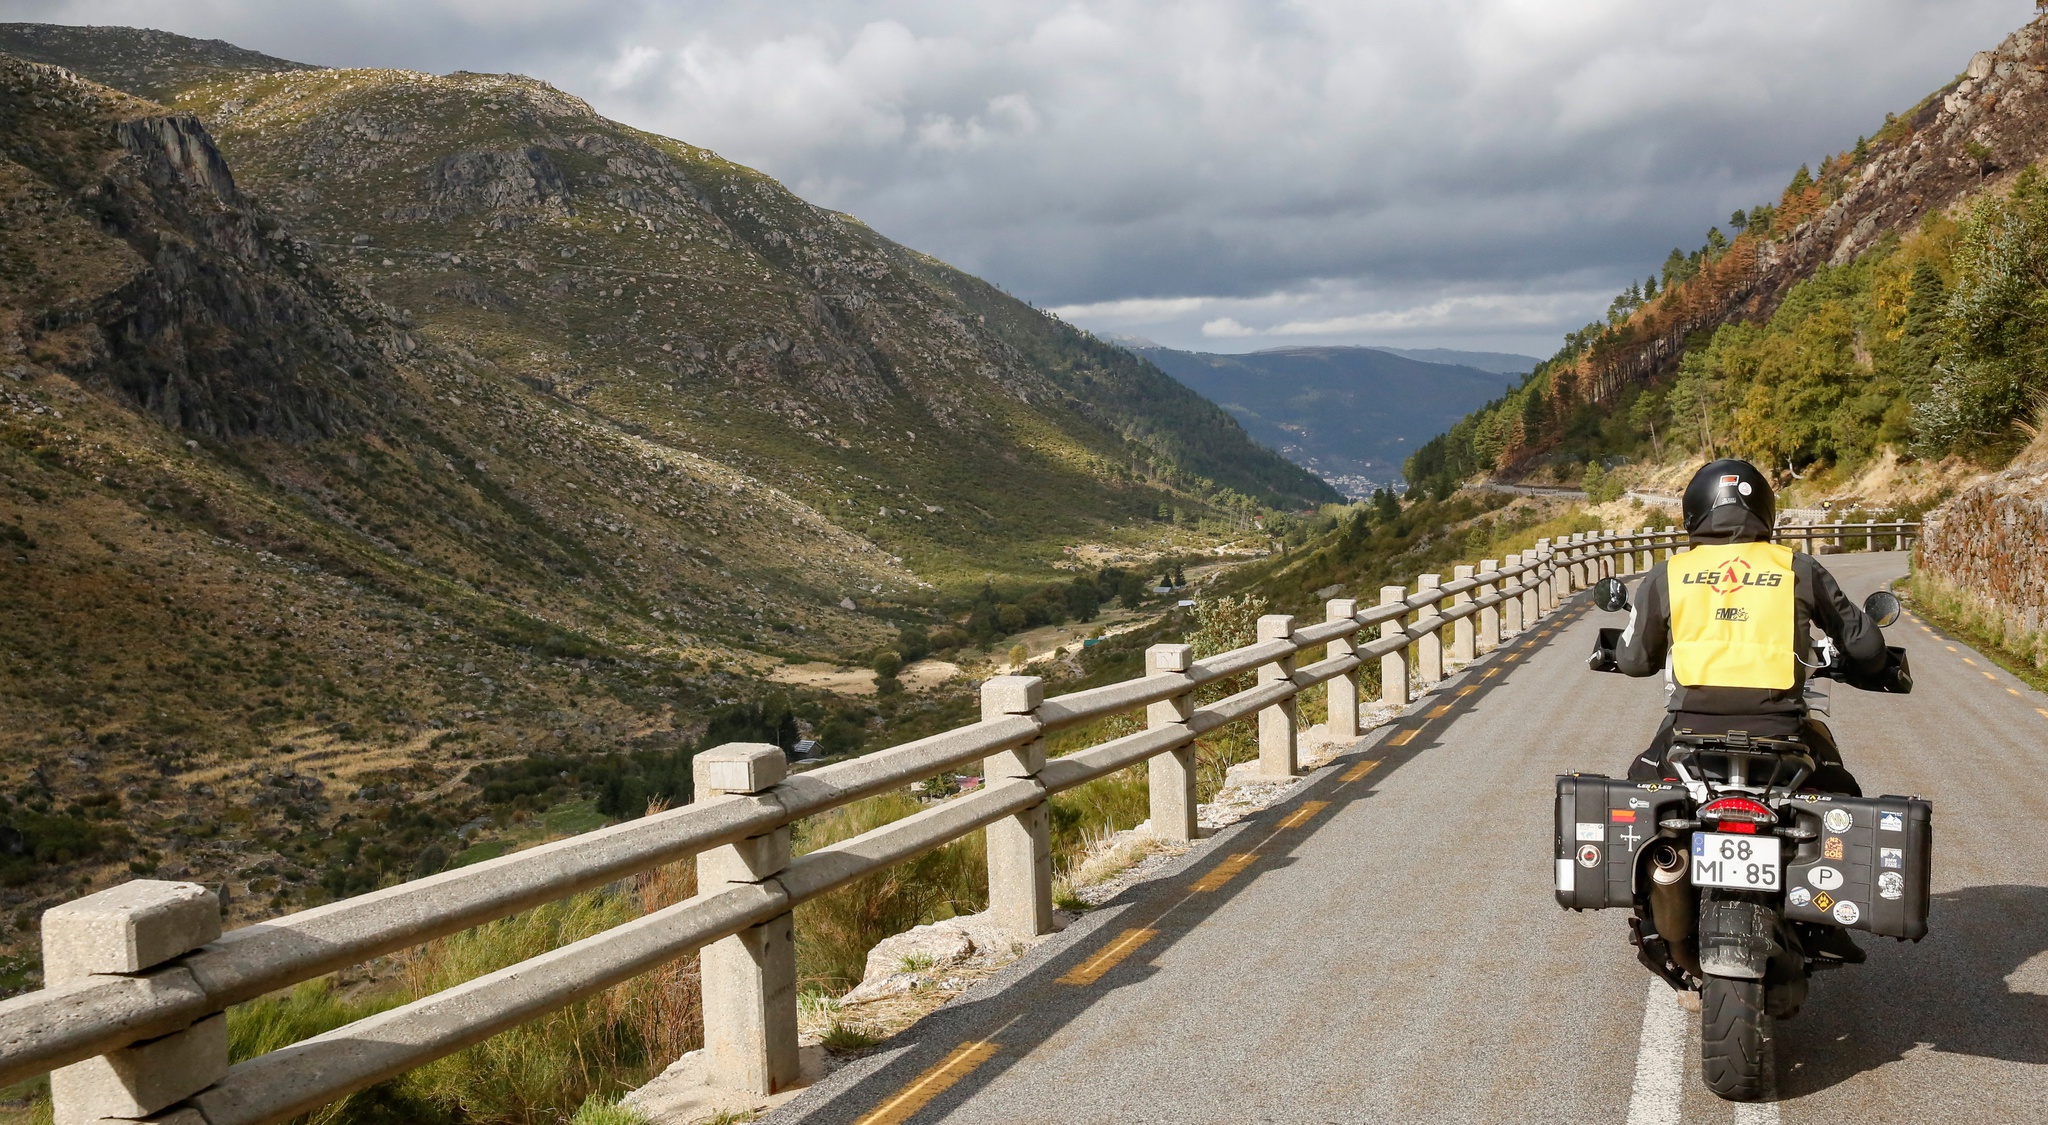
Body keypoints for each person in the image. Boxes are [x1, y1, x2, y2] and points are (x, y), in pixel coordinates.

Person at [1606, 458, 1889, 795]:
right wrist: (1870, 664)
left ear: (1692, 510)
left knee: (1639, 781)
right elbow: (1867, 647)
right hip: (1781, 733)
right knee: (1843, 795)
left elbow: (1635, 662)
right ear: (1764, 509)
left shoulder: (1668, 573)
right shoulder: (1797, 567)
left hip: (1692, 731)